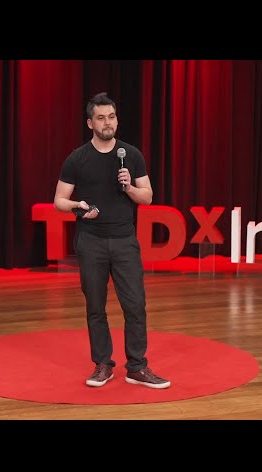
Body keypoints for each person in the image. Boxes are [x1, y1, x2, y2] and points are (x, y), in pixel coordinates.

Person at [53, 92, 171, 389]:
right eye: (101, 118)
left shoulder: (131, 155)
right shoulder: (77, 158)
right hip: (90, 241)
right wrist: (79, 206)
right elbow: (59, 201)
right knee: (95, 306)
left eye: (112, 117)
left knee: (135, 305)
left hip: (124, 241)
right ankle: (103, 364)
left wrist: (129, 187)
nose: (108, 123)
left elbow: (147, 196)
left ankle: (137, 367)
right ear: (90, 123)